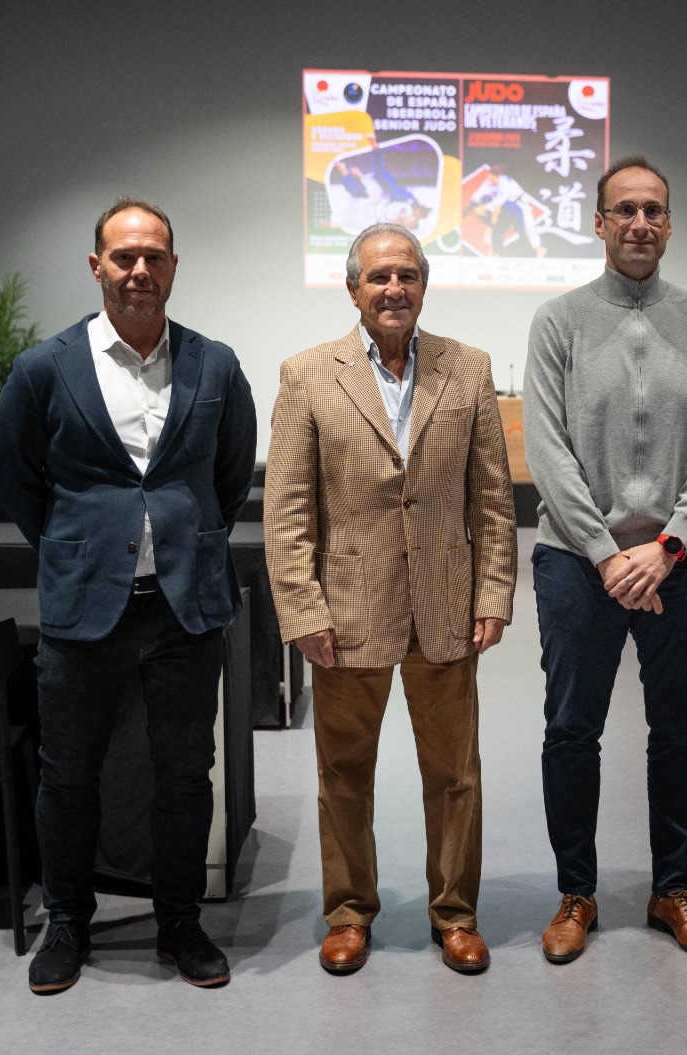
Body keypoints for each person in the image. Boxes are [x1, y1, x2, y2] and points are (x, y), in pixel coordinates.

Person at [0, 197, 257, 993]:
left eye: (155, 257)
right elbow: (18, 477)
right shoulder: (46, 367)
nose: (140, 271)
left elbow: (230, 476)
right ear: (97, 265)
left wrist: (180, 535)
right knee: (68, 773)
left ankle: (179, 920)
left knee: (185, 770)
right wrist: (78, 549)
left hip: (184, 605)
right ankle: (68, 922)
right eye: (125, 257)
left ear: (174, 265)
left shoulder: (215, 364)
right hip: (84, 606)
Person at [264, 222, 516, 975]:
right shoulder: (307, 374)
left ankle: (457, 914)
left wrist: (494, 589)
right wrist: (303, 609)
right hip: (346, 613)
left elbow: (494, 499)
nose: (393, 289)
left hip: (445, 605)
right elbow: (287, 509)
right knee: (343, 775)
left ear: (424, 284)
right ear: (353, 289)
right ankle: (347, 913)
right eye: (378, 277)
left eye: (406, 275)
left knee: (456, 774)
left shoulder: (466, 370)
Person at [524, 156, 687, 963]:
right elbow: (546, 449)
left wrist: (668, 546)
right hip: (578, 564)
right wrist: (607, 554)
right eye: (626, 210)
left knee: (680, 732)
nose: (641, 223)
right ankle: (575, 894)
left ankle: (672, 890)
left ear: (670, 224)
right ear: (600, 223)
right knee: (572, 732)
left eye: (654, 210)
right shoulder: (559, 322)